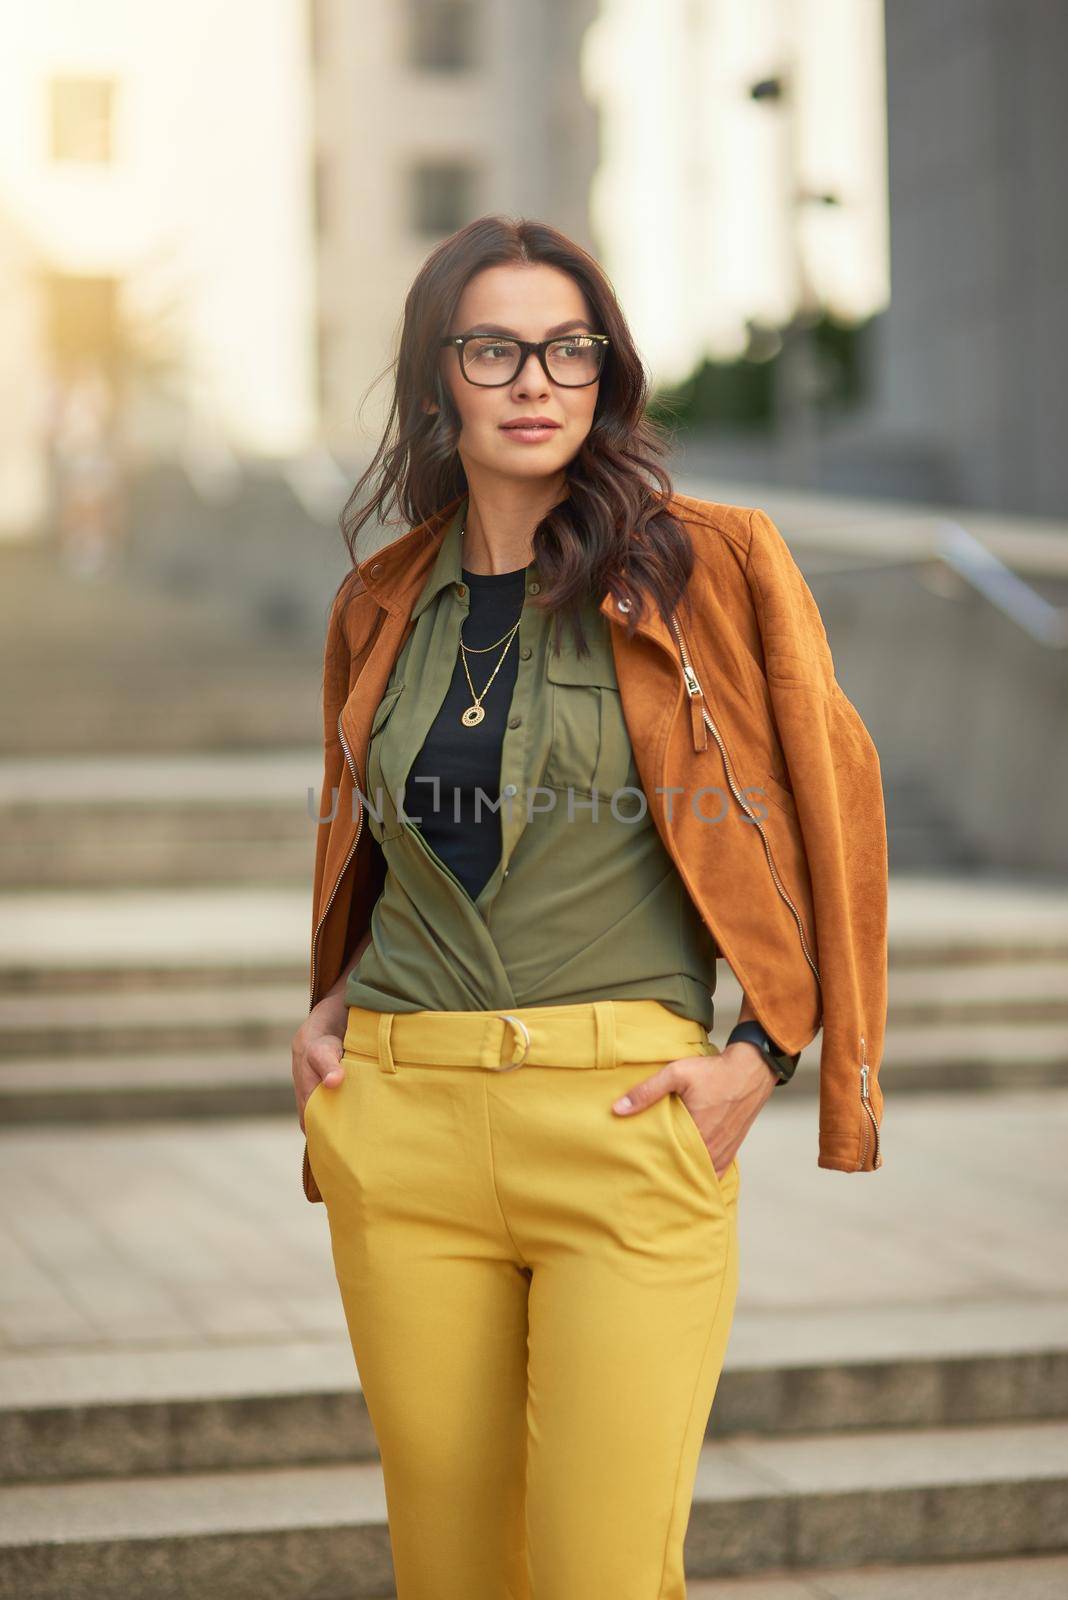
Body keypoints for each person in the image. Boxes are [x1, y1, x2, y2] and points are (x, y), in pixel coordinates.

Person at [291, 215, 888, 1600]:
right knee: (453, 1575)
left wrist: (771, 1051)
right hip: (405, 1129)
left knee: (598, 1575)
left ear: (606, 370)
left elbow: (835, 809)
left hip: (627, 1127)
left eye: (569, 346)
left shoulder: (712, 568)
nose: (534, 378)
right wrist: (328, 1010)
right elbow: (374, 842)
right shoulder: (381, 600)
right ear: (439, 376)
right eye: (493, 347)